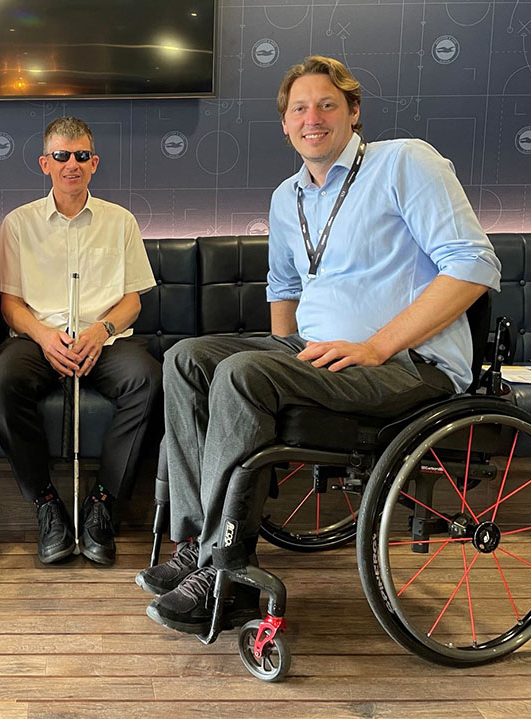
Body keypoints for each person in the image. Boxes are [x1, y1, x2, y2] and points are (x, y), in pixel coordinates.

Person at [137, 55, 503, 634]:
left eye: (327, 104)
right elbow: (283, 289)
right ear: (285, 124)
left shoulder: (404, 161)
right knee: (188, 359)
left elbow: (474, 265)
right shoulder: (288, 197)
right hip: (322, 355)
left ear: (353, 112)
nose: (313, 117)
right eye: (299, 108)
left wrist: (377, 346)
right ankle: (196, 545)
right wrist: (277, 368)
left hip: (408, 365)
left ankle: (226, 575)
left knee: (243, 375)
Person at [0, 116, 160, 566]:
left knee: (147, 381)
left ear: (94, 162)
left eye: (81, 155)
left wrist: (102, 331)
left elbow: (132, 302)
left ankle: (103, 503)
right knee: (1, 383)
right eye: (61, 156)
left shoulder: (120, 221)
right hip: (39, 338)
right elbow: (11, 306)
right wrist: (45, 337)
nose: (71, 164)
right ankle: (46, 504)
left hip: (105, 339)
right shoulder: (19, 223)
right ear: (45, 163)